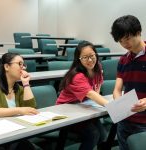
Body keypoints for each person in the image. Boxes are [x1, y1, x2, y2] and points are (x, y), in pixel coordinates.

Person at [56, 41, 108, 150]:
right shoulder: (77, 76)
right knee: (93, 135)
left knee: (103, 134)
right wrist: (112, 105)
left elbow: (97, 88)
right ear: (78, 60)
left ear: (96, 54)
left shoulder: (97, 67)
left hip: (84, 107)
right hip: (68, 111)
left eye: (92, 56)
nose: (89, 60)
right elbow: (91, 94)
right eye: (85, 57)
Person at [111, 15, 146, 150]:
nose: (125, 44)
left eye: (127, 38)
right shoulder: (123, 60)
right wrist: (119, 104)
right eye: (120, 41)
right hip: (126, 120)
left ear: (138, 32)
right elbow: (117, 89)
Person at [0, 53, 39, 150]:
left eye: (23, 64)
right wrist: (19, 110)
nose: (22, 67)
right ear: (7, 66)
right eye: (19, 64)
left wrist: (26, 83)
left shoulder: (18, 89)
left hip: (15, 133)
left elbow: (31, 108)